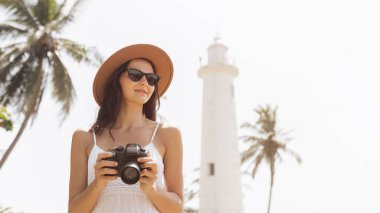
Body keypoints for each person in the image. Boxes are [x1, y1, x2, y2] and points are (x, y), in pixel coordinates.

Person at [68, 44, 183, 213]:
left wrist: (152, 188)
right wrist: (97, 185)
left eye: (151, 79)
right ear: (117, 80)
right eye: (135, 75)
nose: (144, 82)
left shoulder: (168, 134)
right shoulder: (83, 137)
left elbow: (177, 209)